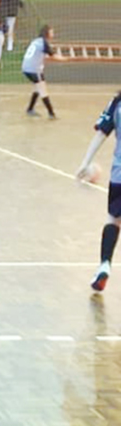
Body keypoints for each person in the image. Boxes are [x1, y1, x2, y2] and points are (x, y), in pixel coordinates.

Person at [76, 91, 121, 292]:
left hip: (119, 176)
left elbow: (101, 133)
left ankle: (104, 265)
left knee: (113, 220)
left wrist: (85, 164)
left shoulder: (117, 103)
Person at [21, 25, 57, 118]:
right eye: (52, 32)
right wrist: (66, 59)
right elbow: (53, 56)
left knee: (37, 88)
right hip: (33, 69)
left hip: (27, 67)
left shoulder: (36, 41)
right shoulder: (44, 43)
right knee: (42, 89)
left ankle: (30, 109)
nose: (53, 34)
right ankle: (51, 113)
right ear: (47, 33)